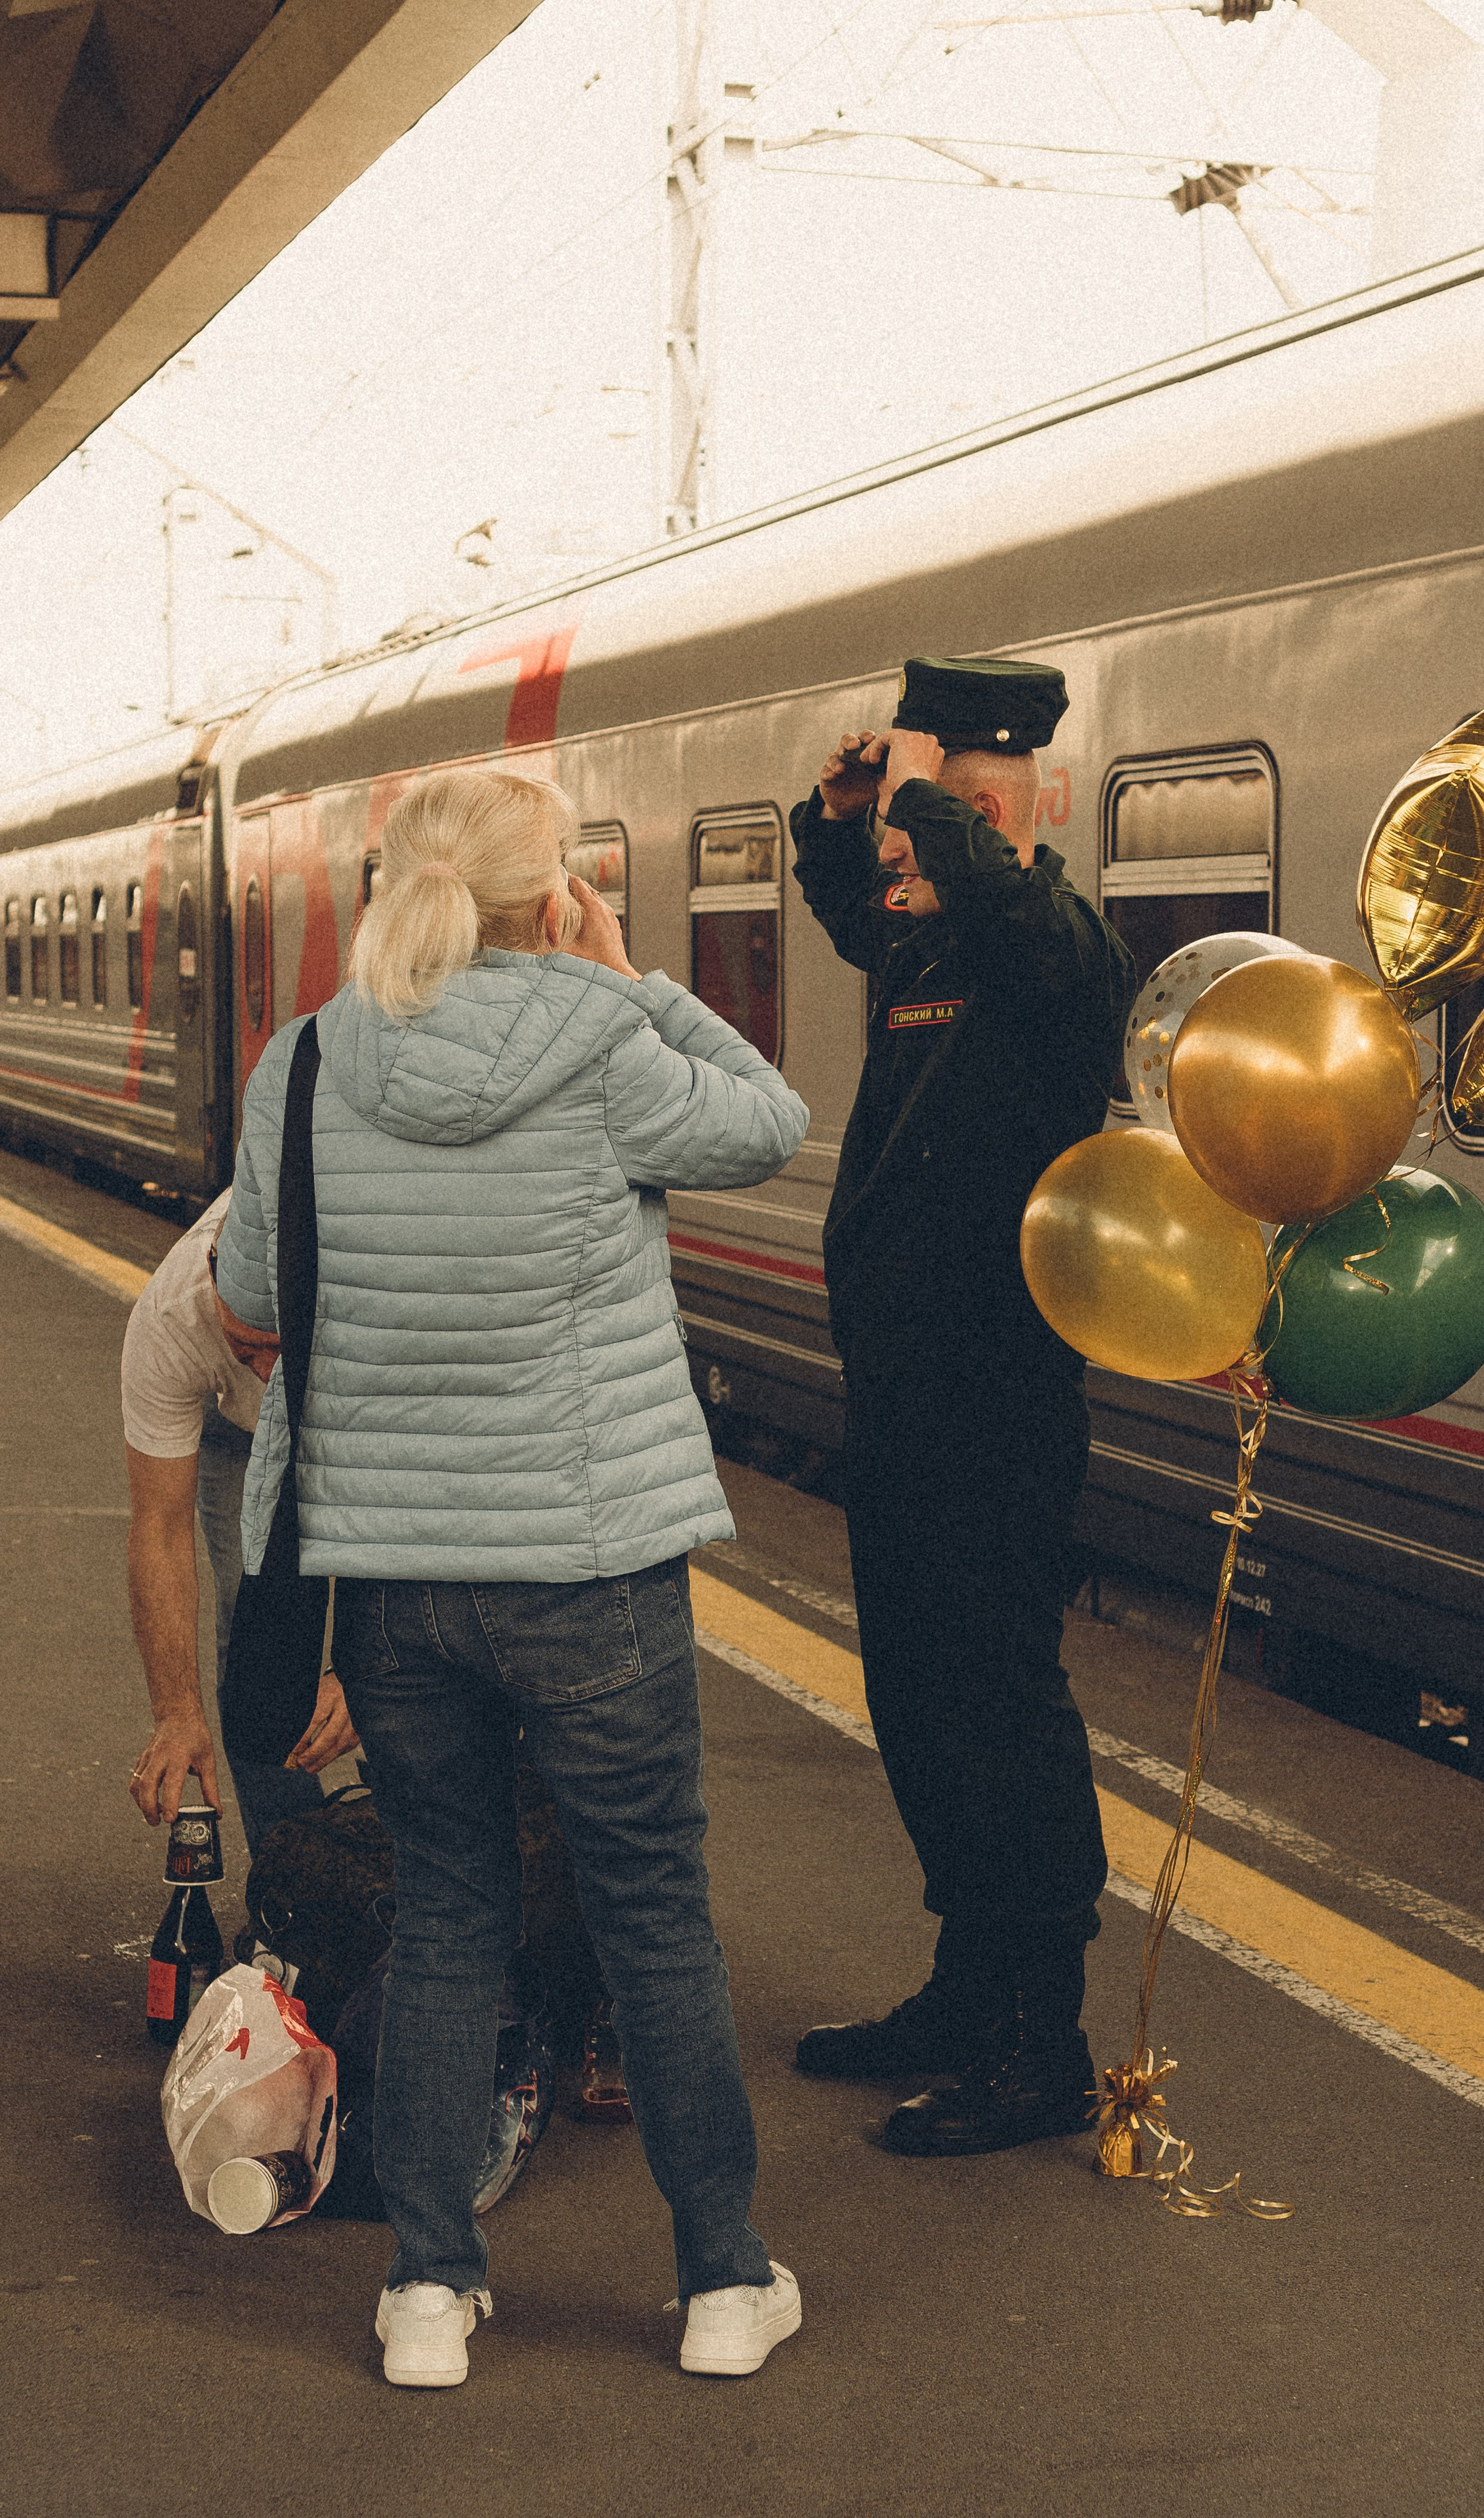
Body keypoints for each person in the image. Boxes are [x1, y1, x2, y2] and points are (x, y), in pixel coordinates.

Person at [216, 764, 810, 2389]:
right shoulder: (604, 1040)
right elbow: (769, 1118)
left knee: (454, 1901)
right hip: (590, 1563)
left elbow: (255, 1280)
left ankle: (427, 2287)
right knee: (652, 1918)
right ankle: (719, 2284)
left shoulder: (312, 1060)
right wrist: (624, 975)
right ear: (553, 899)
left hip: (397, 1574)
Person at [790, 654, 1136, 2159]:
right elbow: (860, 912)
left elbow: (1000, 902)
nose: (900, 867)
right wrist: (835, 820)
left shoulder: (1053, 949)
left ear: (1007, 815)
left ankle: (1033, 2041)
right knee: (919, 1706)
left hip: (996, 1404)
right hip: (904, 1401)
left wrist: (932, 799)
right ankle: (959, 1984)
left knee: (997, 1709)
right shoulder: (928, 955)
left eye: (933, 831)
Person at [123, 1191, 354, 1844]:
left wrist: (359, 1668)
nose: (272, 1381)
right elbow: (159, 1528)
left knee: (417, 1656)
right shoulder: (173, 1313)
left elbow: (436, 1516)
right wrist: (174, 1711)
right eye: (249, 1352)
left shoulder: (386, 1292)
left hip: (370, 1409)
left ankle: (429, 1869)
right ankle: (297, 1873)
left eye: (283, 1351)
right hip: (238, 1433)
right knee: (253, 1632)